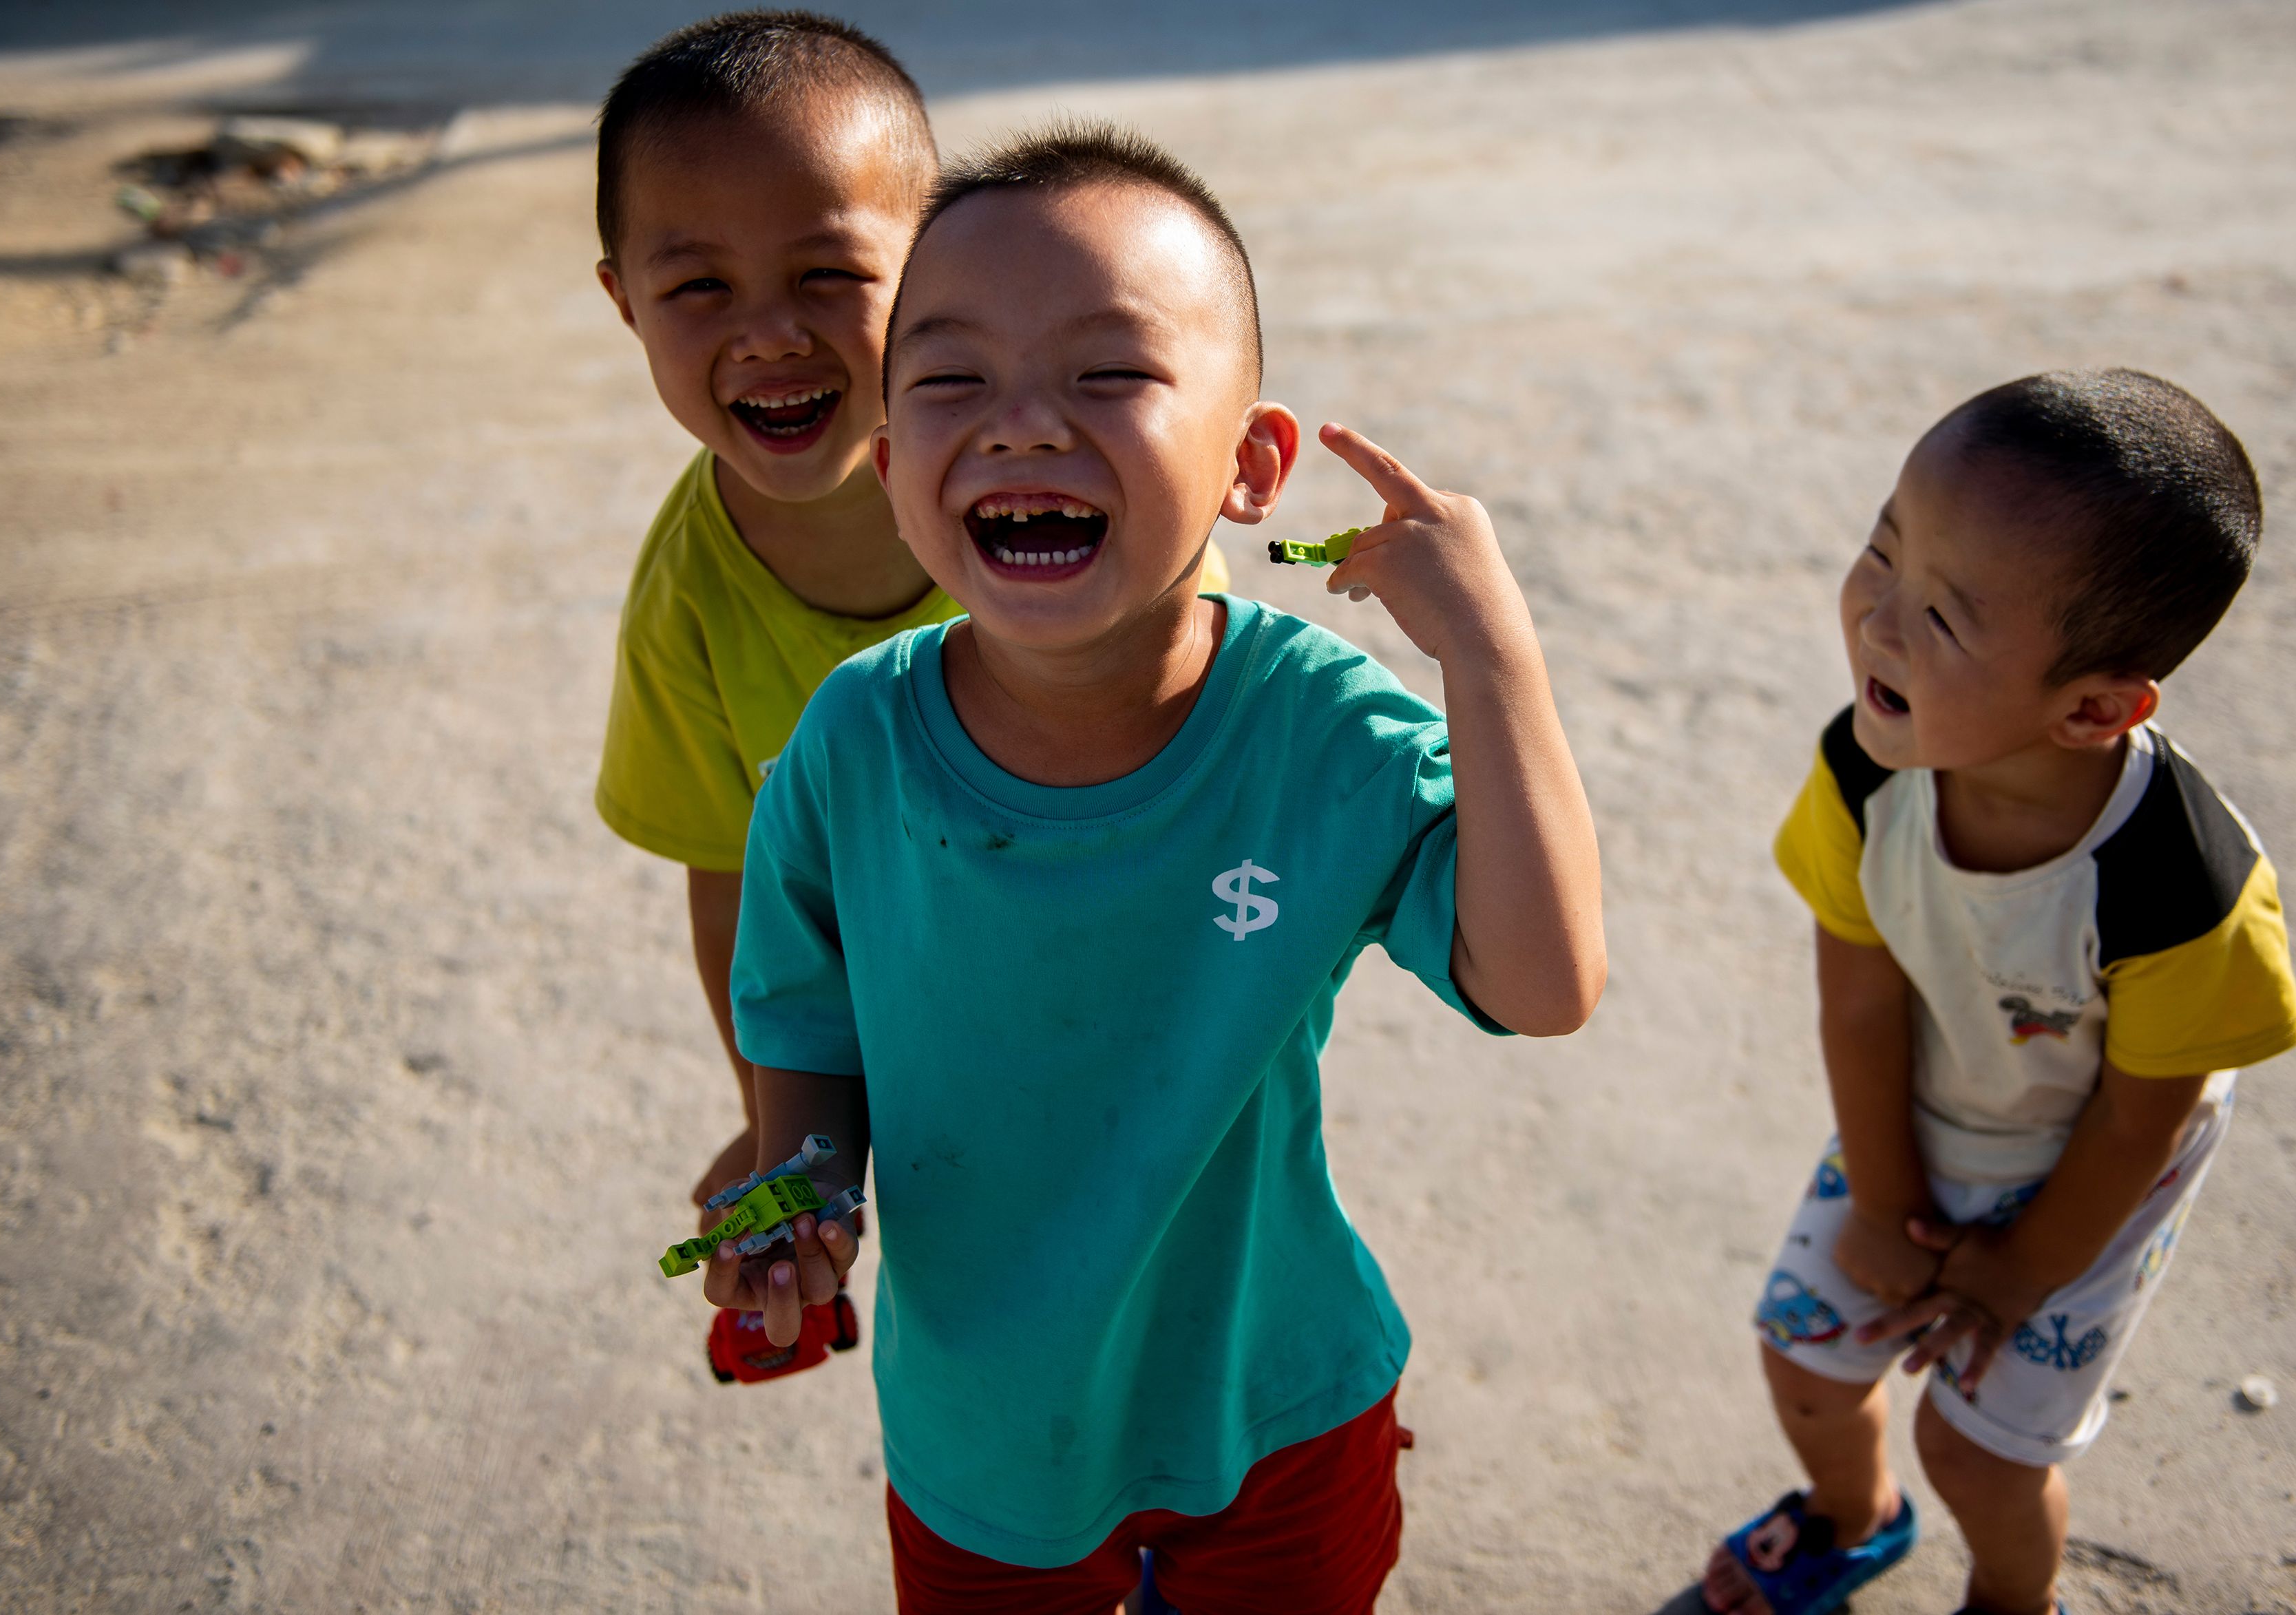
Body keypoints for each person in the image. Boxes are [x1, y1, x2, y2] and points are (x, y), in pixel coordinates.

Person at [698, 125, 1605, 1611]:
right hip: (983, 1430)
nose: (1019, 426)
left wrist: (1491, 657)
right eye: (947, 381)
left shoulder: (1317, 731)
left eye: (1107, 374)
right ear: (888, 468)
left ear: (1250, 465)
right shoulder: (852, 743)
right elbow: (805, 1028)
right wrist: (799, 1190)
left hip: (1278, 1405)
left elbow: (1544, 984)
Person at [586, 14, 1231, 1282]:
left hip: (1147, 1043)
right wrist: (795, 1142)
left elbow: (1215, 756)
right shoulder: (687, 605)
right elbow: (737, 881)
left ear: (933, 257)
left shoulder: (1064, 507)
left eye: (826, 273)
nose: (767, 332)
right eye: (699, 286)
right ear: (622, 300)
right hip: (928, 1071)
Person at [1705, 370, 2296, 1615]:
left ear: (2093, 707)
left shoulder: (2183, 889)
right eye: (1881, 550)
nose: (1876, 622)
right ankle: (1848, 1515)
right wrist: (1882, 1200)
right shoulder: (1865, 774)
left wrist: (2018, 1268)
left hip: (2100, 1164)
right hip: (1933, 1098)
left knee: (1975, 1449)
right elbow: (1860, 1002)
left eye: (1941, 616)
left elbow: (2140, 1119)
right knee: (1805, 1357)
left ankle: (2011, 1600)